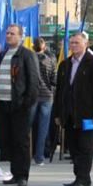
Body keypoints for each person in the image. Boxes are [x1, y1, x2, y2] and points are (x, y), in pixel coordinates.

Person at [54, 32, 93, 186]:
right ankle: (80, 176)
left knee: (85, 147)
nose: (73, 45)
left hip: (87, 113)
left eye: (77, 42)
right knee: (73, 147)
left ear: (85, 44)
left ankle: (83, 178)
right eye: (71, 43)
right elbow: (60, 91)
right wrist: (58, 113)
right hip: (69, 113)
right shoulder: (65, 65)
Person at [0, 24, 40, 186]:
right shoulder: (2, 54)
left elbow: (34, 82)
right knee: (9, 139)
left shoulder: (26, 55)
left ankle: (22, 175)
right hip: (3, 103)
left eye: (12, 34)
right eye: (7, 33)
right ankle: (14, 172)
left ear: (20, 36)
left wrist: (27, 103)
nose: (8, 36)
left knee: (21, 141)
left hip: (20, 106)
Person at [29, 37, 56, 166]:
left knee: (28, 126)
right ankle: (39, 157)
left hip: (32, 95)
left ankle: (27, 153)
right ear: (44, 47)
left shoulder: (29, 59)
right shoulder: (50, 60)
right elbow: (53, 80)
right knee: (43, 128)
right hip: (47, 96)